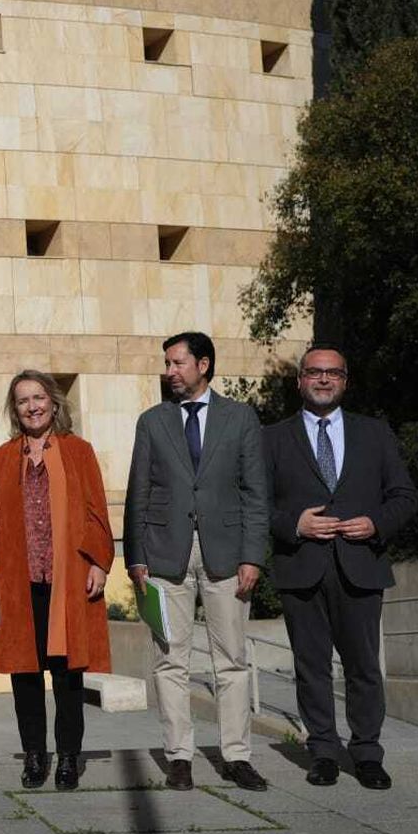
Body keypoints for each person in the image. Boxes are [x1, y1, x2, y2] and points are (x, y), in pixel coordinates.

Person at [263, 344, 418, 789]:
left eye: (333, 373)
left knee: (364, 666)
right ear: (300, 381)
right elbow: (253, 504)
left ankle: (367, 753)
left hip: (361, 565)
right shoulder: (272, 437)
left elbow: (405, 497)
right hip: (301, 568)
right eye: (314, 372)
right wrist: (294, 523)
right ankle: (324, 752)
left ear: (345, 381)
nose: (324, 380)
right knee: (310, 666)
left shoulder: (375, 433)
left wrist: (375, 523)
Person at [125, 330, 270, 792]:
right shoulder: (152, 422)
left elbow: (255, 493)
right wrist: (136, 558)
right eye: (167, 364)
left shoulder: (240, 418)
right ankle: (179, 757)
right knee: (171, 662)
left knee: (231, 662)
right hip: (165, 557)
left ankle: (236, 757)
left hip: (227, 556)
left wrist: (253, 556)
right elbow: (138, 493)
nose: (169, 371)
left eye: (177, 363)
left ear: (203, 365)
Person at [0, 372, 112, 790]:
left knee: (68, 675)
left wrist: (99, 563)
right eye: (22, 401)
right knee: (24, 674)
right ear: (14, 410)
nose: (32, 407)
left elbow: (96, 512)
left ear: (53, 402)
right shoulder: (2, 456)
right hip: (18, 579)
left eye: (38, 398)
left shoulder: (77, 451)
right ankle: (34, 755)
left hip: (68, 578)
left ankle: (68, 756)